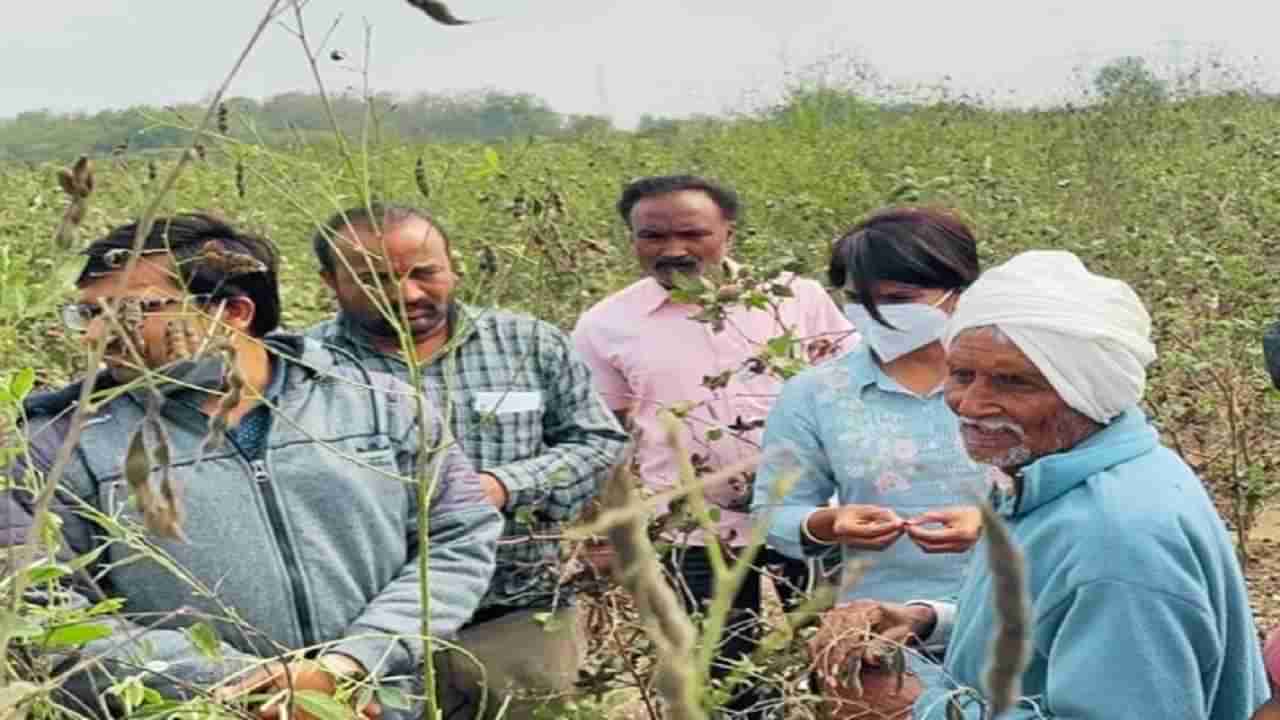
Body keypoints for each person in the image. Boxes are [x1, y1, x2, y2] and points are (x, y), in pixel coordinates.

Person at [5, 214, 502, 719]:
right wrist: (246, 686)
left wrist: (354, 662)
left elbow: (459, 537)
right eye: (86, 314)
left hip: (379, 705)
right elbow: (40, 612)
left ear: (234, 312)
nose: (95, 337)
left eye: (128, 311)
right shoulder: (53, 447)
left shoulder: (379, 404)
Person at [865, 250, 1268, 718]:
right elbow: (1060, 627)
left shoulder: (1117, 538)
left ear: (1085, 390)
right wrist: (931, 622)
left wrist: (917, 709)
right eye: (961, 375)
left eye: (1013, 383)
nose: (970, 404)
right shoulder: (1077, 477)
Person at [306, 204, 628, 720]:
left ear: (452, 265)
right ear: (330, 281)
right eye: (374, 280)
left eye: (424, 273)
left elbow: (598, 442)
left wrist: (504, 485)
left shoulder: (529, 344)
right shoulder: (306, 365)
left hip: (516, 612)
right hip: (365, 633)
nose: (405, 295)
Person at [572, 175, 855, 715]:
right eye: (651, 236)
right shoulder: (606, 325)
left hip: (810, 512)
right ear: (630, 237)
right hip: (689, 527)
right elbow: (601, 434)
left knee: (840, 657)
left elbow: (846, 389)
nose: (672, 249)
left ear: (728, 231)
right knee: (719, 674)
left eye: (692, 233)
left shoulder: (795, 299)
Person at [751, 208, 990, 618]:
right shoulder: (816, 393)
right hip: (882, 622)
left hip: (1018, 614)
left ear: (961, 292)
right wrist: (828, 523)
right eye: (858, 300)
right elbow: (775, 513)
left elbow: (1090, 497)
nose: (877, 314)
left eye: (899, 300)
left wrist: (993, 525)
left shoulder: (1020, 384)